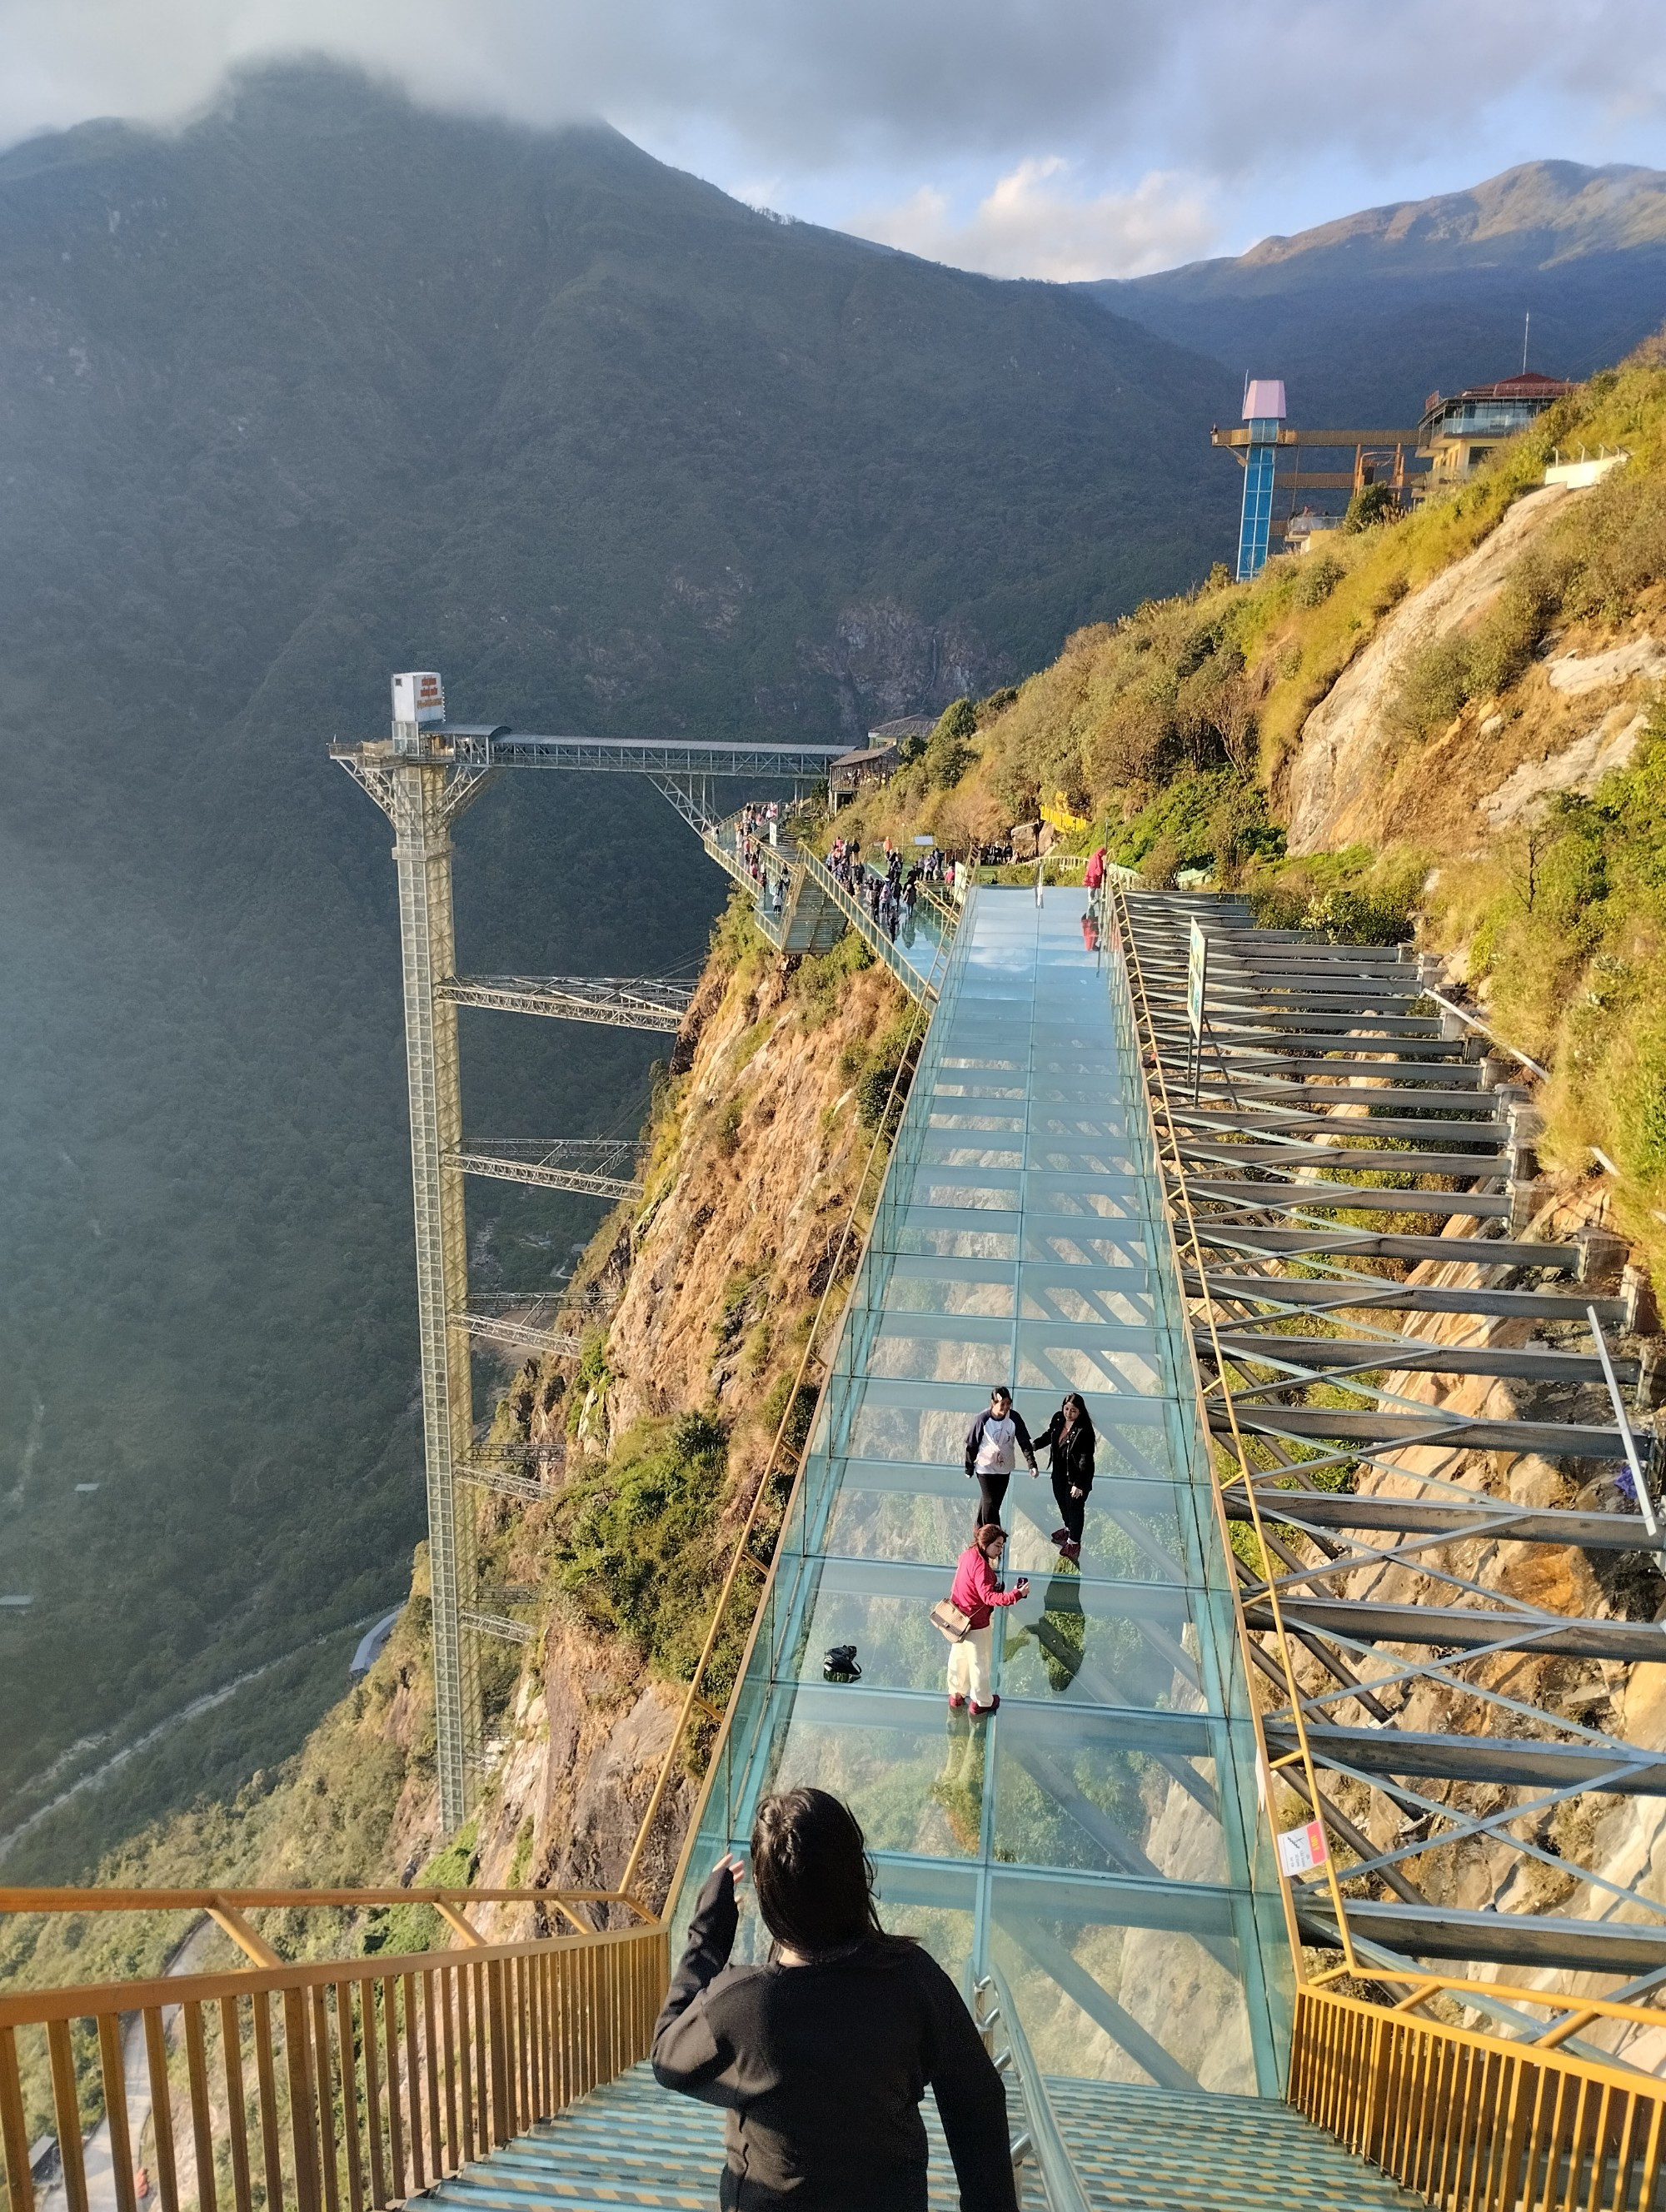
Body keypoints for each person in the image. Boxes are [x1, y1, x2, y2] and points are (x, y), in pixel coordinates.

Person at [652, 1788, 1019, 2211]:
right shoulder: (911, 1978)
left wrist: (708, 1934)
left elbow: (667, 2058)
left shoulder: (742, 2005)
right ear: (855, 1874)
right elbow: (977, 2098)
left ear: (771, 1899)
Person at [945, 1523, 1029, 1716]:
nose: (1000, 1551)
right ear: (986, 1544)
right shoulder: (982, 1568)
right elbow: (988, 1598)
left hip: (959, 1619)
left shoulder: (968, 1555)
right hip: (976, 1623)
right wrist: (1016, 1594)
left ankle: (956, 1695)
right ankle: (981, 1703)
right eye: (997, 1546)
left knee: (958, 1659)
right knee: (980, 1664)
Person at [964, 1385, 1038, 1532]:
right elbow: (972, 1445)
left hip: (1004, 1467)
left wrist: (1032, 1464)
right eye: (1002, 1404)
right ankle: (993, 1535)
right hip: (985, 1467)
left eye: (1008, 1404)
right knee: (990, 1501)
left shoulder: (1014, 1418)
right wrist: (969, 1467)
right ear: (993, 1403)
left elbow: (1024, 1442)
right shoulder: (982, 1419)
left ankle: (979, 1529)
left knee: (993, 1503)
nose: (1005, 1408)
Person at [1035, 1392, 1095, 1560]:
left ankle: (1074, 1543)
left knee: (1075, 1508)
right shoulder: (1058, 1419)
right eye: (1066, 1408)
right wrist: (1036, 1445)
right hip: (1059, 1473)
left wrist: (1079, 1484)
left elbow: (1086, 1460)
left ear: (1080, 1412)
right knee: (1061, 1501)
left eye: (1073, 1410)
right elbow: (1050, 1435)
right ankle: (1068, 1530)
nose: (1068, 1413)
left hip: (1076, 1477)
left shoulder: (1085, 1431)